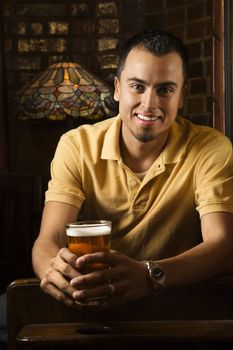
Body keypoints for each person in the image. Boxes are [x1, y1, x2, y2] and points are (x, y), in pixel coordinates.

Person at [32, 28, 233, 308]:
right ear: (117, 89)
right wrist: (53, 273)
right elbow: (48, 240)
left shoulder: (211, 148)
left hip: (174, 299)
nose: (149, 104)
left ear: (183, 95)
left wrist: (150, 275)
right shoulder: (76, 145)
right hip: (89, 296)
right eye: (137, 86)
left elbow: (223, 246)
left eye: (165, 89)